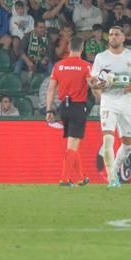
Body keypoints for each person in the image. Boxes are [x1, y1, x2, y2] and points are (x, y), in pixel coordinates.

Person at [91, 25, 131, 188]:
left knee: (128, 143)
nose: (113, 37)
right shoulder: (101, 58)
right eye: (110, 35)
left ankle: (114, 170)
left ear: (124, 37)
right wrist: (97, 86)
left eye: (116, 34)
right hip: (108, 101)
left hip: (126, 102)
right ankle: (112, 177)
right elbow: (93, 80)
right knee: (108, 139)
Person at [46, 36, 92, 187]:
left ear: (69, 48)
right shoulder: (86, 66)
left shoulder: (59, 66)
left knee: (72, 144)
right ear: (82, 48)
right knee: (73, 145)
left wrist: (49, 109)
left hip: (63, 108)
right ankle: (64, 179)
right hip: (78, 107)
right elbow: (92, 85)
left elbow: (51, 89)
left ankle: (80, 178)